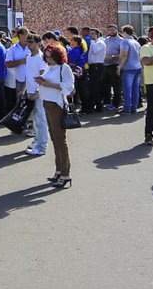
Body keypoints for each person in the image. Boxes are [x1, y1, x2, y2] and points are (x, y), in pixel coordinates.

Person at [32, 43, 75, 188]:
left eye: (51, 57)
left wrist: (46, 84)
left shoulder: (64, 68)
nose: (48, 60)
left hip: (56, 104)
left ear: (58, 56)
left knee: (60, 139)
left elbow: (68, 87)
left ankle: (65, 173)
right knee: (55, 139)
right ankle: (59, 170)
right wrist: (41, 82)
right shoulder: (50, 67)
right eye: (47, 57)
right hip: (47, 103)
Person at [24, 35, 48, 154]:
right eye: (27, 41)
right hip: (30, 92)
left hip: (39, 94)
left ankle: (42, 147)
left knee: (41, 120)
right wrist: (25, 89)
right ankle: (37, 141)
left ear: (38, 43)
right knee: (35, 120)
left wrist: (37, 92)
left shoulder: (40, 58)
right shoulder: (28, 57)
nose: (28, 44)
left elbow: (43, 78)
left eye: (31, 42)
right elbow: (28, 75)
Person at [117, 26, 142, 115]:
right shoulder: (136, 42)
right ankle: (134, 108)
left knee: (127, 89)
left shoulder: (125, 41)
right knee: (135, 88)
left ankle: (127, 108)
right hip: (137, 67)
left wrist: (120, 66)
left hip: (128, 67)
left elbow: (124, 54)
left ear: (125, 32)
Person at [85, 28, 106, 114]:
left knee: (95, 87)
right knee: (93, 87)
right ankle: (94, 105)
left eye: (93, 34)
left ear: (97, 34)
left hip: (97, 66)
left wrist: (92, 42)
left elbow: (95, 51)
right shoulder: (93, 43)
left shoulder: (99, 43)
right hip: (92, 66)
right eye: (90, 34)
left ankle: (98, 106)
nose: (91, 36)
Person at [102, 24, 123, 110]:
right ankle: (107, 102)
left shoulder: (121, 40)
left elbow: (123, 53)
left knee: (116, 86)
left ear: (116, 30)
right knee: (105, 85)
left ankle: (116, 104)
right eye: (109, 30)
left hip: (115, 65)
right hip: (105, 65)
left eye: (113, 29)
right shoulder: (105, 40)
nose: (111, 31)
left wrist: (113, 57)